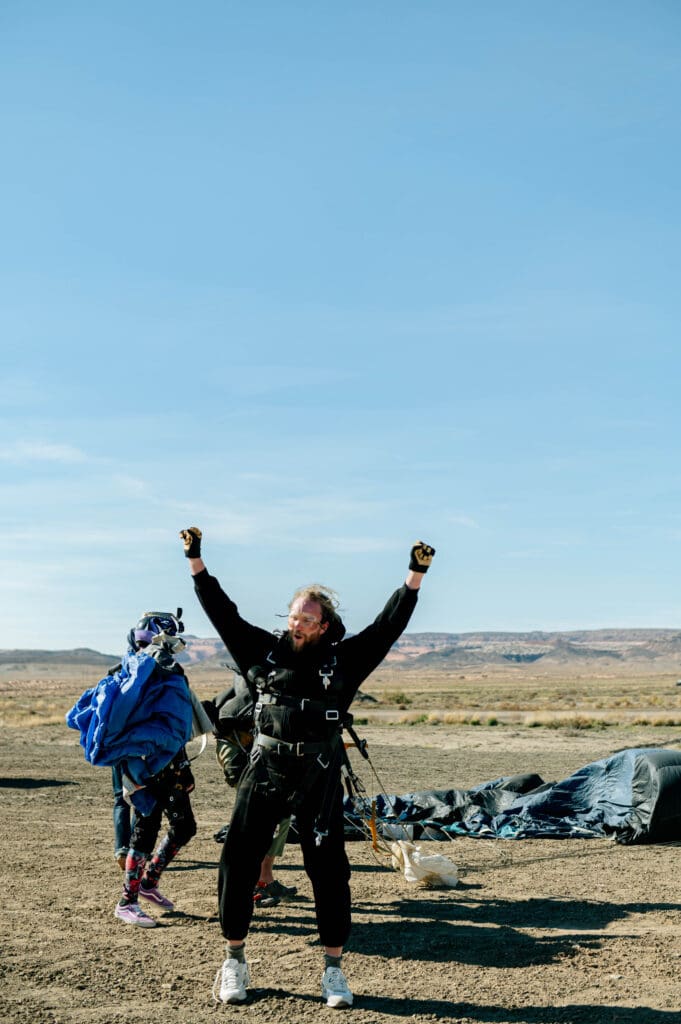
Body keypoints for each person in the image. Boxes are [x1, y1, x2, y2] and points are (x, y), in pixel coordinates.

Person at [179, 526, 435, 1007]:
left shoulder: (344, 662)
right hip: (266, 770)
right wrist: (197, 562)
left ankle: (333, 971)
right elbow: (222, 614)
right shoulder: (262, 651)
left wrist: (413, 577)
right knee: (238, 861)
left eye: (306, 618)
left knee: (330, 872)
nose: (296, 624)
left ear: (323, 625)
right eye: (293, 615)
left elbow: (386, 629)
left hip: (318, 776)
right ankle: (234, 960)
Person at [113, 611, 198, 927]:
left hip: (172, 765)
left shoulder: (172, 673)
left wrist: (184, 765)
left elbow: (177, 726)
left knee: (185, 825)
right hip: (143, 766)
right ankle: (127, 901)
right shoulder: (129, 675)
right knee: (145, 829)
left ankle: (148, 883)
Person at [111, 763, 135, 870]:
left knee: (120, 800)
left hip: (117, 752)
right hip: (140, 753)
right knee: (141, 802)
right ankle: (136, 847)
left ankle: (121, 849)